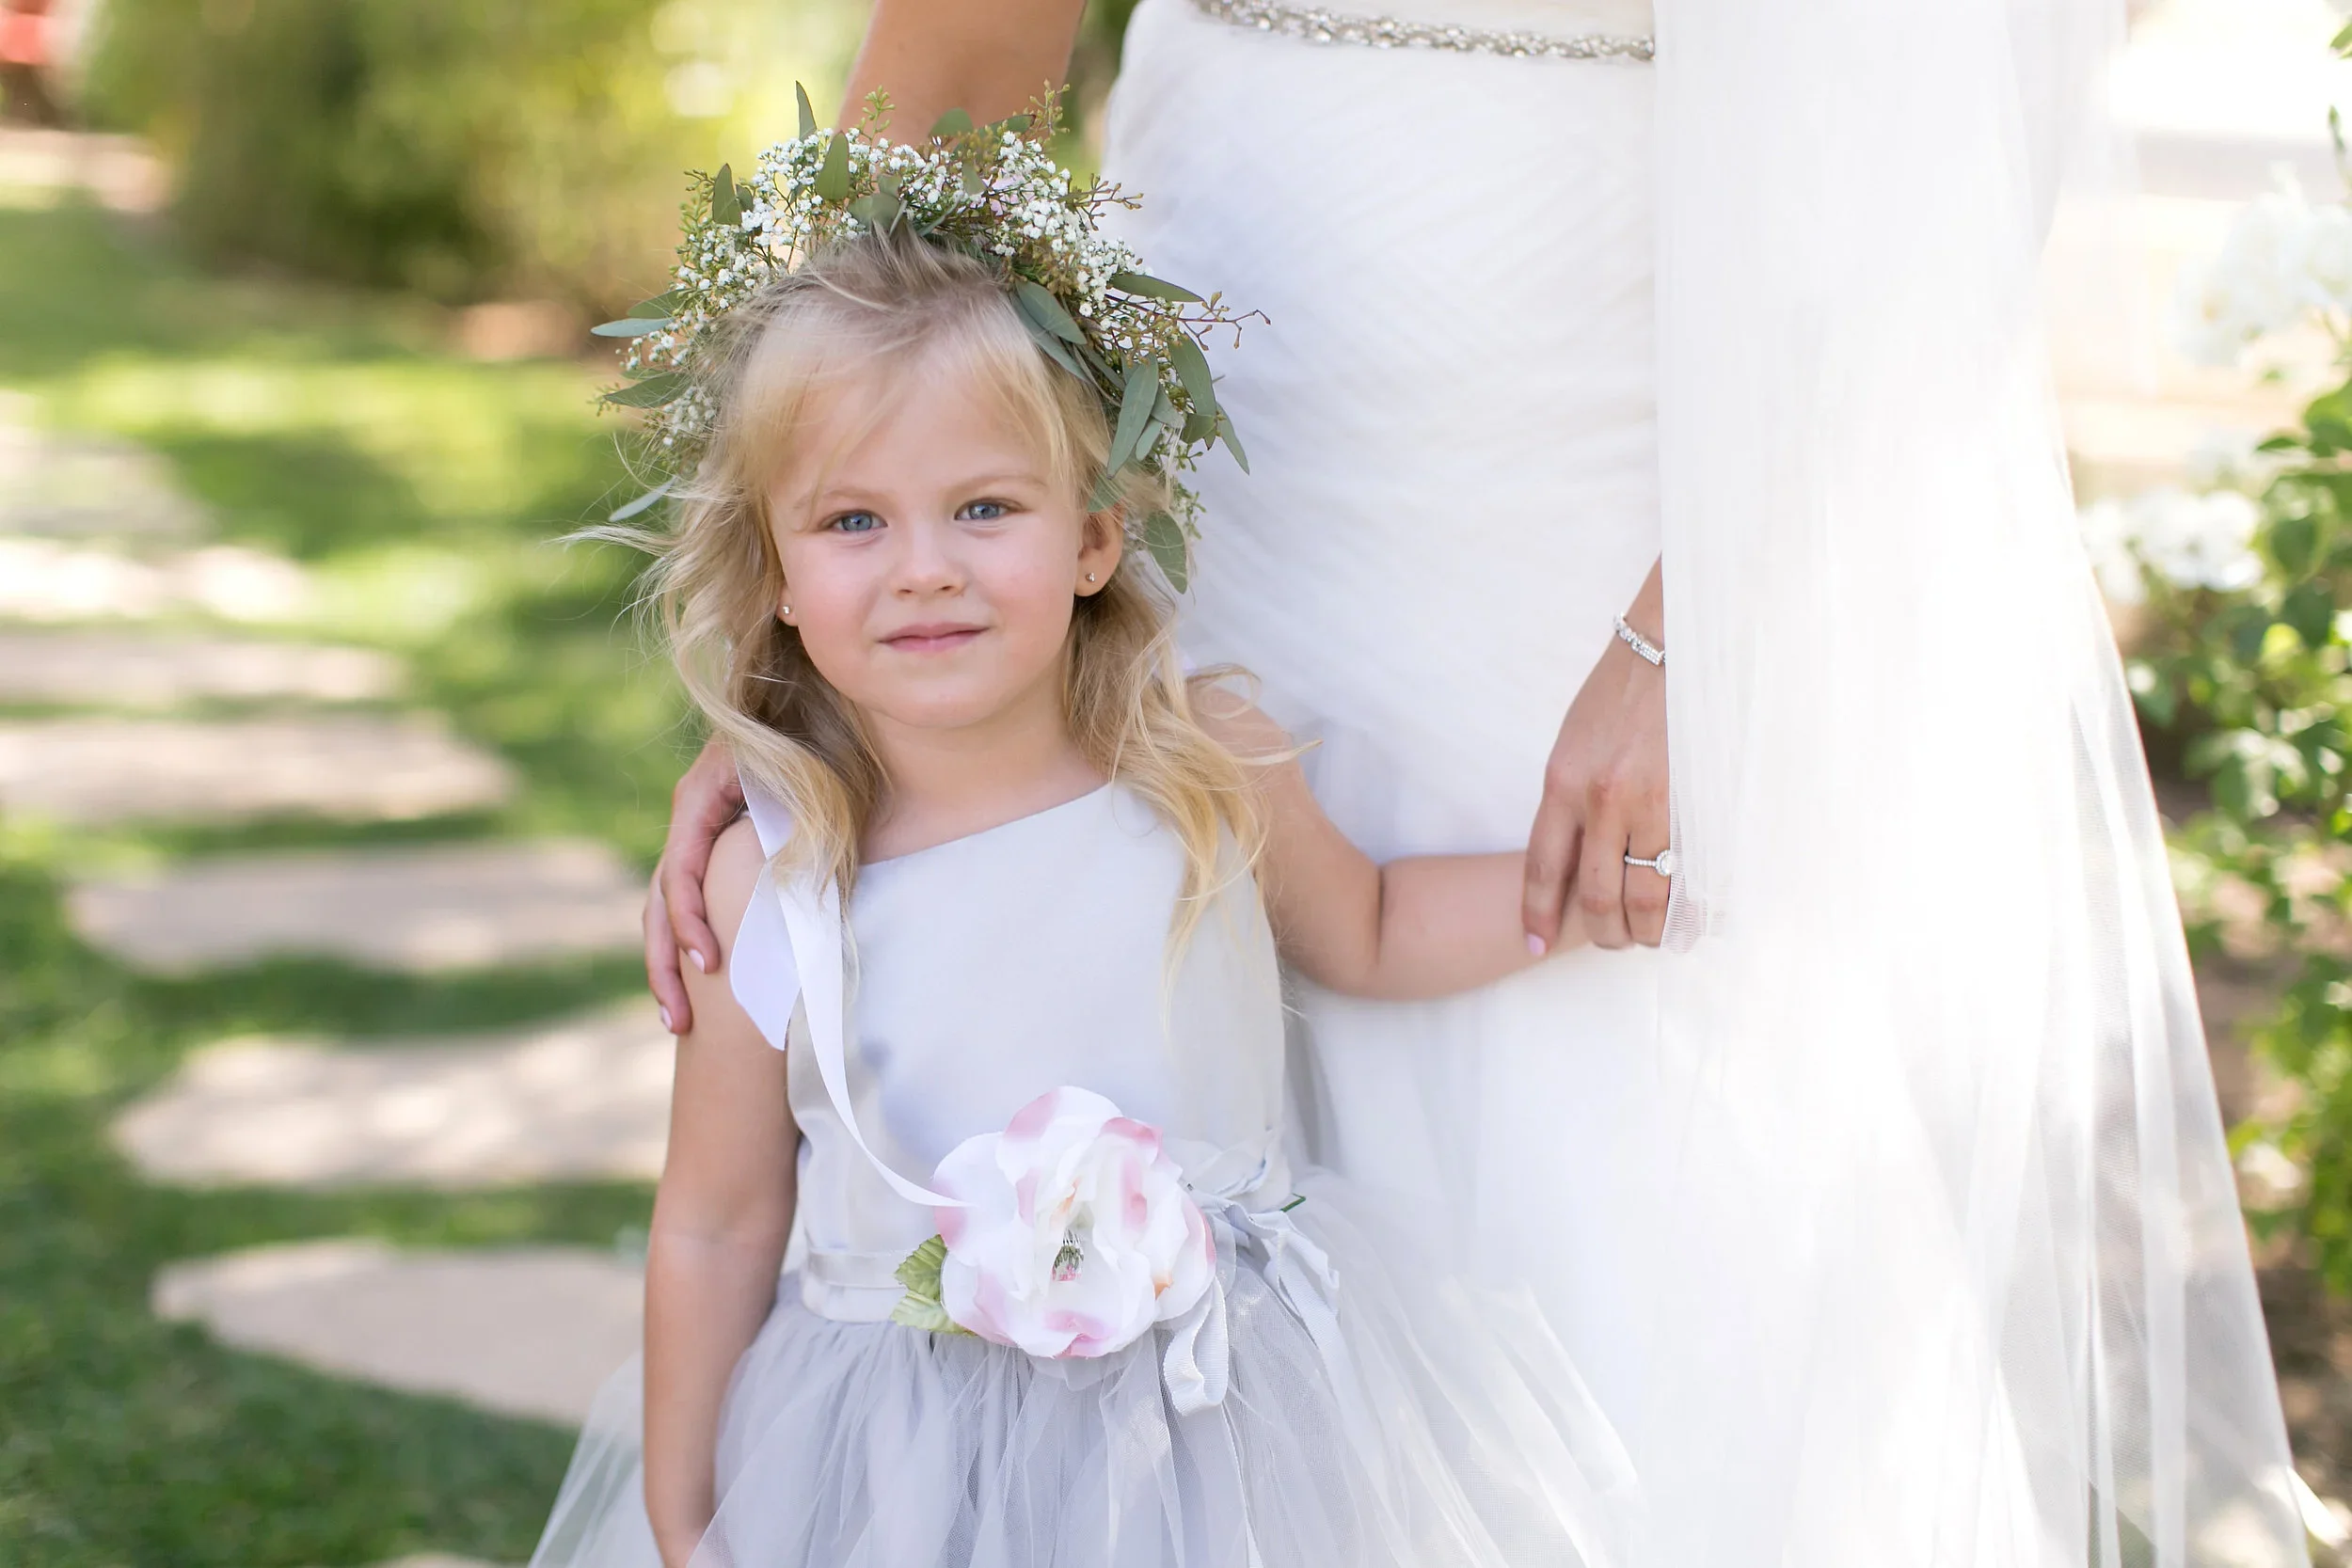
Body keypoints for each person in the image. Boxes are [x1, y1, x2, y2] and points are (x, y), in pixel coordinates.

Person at [643, 2, 2307, 1561]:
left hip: (1594, 485)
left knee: (1616, 1186)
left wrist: (1698, 628)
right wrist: (800, 611)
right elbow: (970, 34)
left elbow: (1935, 166)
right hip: (1197, 417)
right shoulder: (1022, 587)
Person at [532, 153, 1634, 1568]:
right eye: (853, 521)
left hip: (1221, 1432)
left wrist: (1583, 893)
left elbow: (1370, 920)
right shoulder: (775, 883)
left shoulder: (1201, 766)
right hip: (897, 1465)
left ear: (1097, 537)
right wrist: (687, 1511)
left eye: (985, 508)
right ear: (782, 582)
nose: (924, 565)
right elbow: (716, 1219)